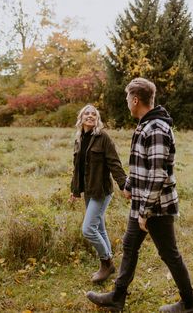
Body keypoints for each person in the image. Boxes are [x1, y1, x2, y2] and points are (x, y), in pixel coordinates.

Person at [86, 78, 193, 312]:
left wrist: (145, 212)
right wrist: (129, 184)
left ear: (135, 99)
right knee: (129, 246)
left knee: (170, 254)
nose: (126, 102)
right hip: (142, 203)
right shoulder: (145, 125)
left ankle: (190, 304)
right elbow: (143, 166)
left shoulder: (156, 128)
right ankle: (117, 297)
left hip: (156, 207)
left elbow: (158, 175)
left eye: (127, 98)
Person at [70, 104, 126, 283]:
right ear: (81, 117)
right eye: (86, 113)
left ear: (97, 119)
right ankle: (108, 263)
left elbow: (114, 163)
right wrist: (75, 190)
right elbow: (77, 168)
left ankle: (106, 262)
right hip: (88, 190)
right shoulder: (79, 138)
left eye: (93, 114)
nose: (90, 116)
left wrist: (124, 185)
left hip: (101, 191)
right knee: (99, 227)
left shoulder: (103, 138)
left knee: (88, 229)